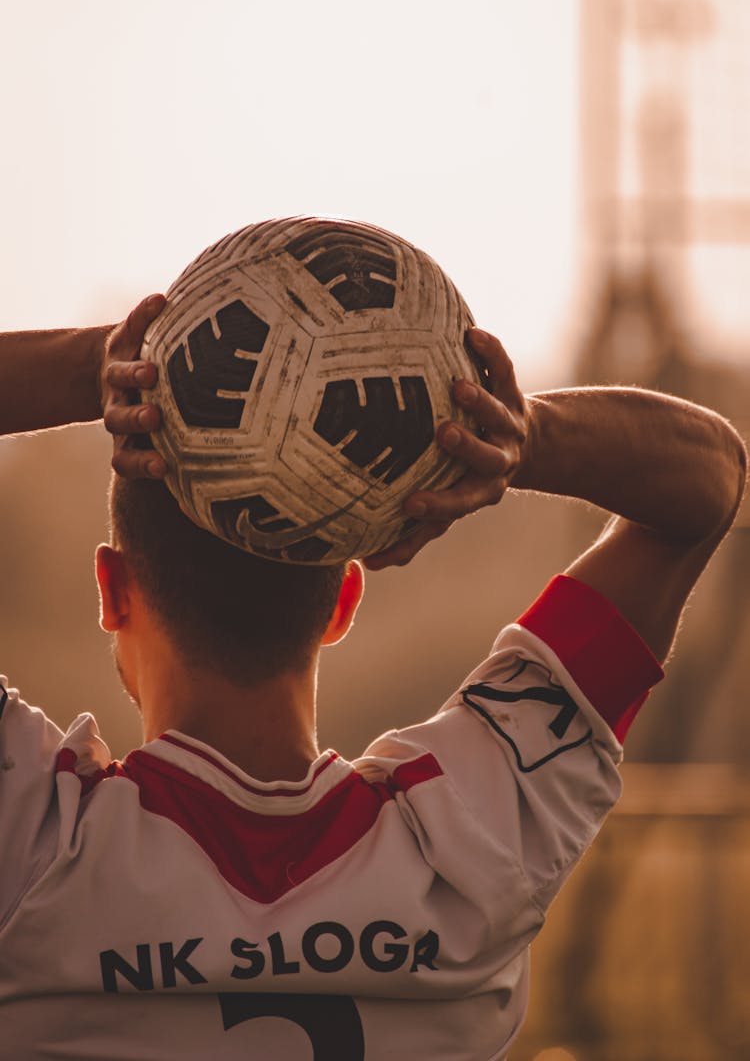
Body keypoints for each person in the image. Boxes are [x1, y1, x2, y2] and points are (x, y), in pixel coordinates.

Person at [0, 293, 745, 1061]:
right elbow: (707, 481)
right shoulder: (476, 836)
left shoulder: (32, 838)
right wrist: (518, 435)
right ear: (345, 598)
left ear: (113, 589)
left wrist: (104, 365)